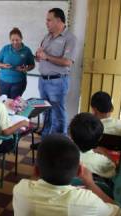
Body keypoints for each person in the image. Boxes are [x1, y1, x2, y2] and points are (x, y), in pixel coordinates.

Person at [12, 134, 121, 216]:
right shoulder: (86, 202)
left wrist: (35, 174)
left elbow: (33, 182)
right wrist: (90, 184)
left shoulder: (20, 189)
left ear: (36, 170)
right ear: (79, 171)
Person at [36, 8, 77, 137]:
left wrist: (46, 56)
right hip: (43, 80)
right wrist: (37, 56)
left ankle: (58, 143)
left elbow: (67, 62)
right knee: (46, 111)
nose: (46, 23)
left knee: (58, 113)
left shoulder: (70, 38)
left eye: (49, 20)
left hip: (57, 81)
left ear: (58, 21)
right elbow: (41, 57)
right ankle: (45, 140)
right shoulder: (46, 36)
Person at [69, 112, 116, 178]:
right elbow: (114, 171)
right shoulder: (103, 163)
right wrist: (104, 153)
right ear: (100, 138)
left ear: (70, 135)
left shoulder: (61, 156)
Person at [0, 28, 35, 99]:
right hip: (3, 82)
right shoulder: (5, 48)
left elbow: (32, 65)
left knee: (14, 105)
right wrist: (3, 65)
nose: (15, 42)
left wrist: (25, 69)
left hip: (19, 83)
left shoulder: (27, 50)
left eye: (17, 40)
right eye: (12, 40)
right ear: (10, 40)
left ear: (21, 38)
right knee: (2, 103)